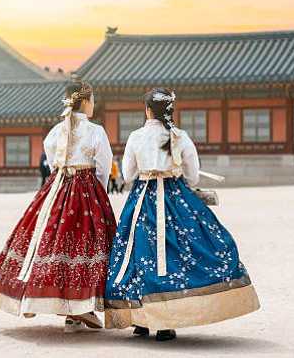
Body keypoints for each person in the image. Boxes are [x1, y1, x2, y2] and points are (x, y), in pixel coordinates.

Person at [104, 88, 259, 341]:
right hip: (175, 199)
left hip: (143, 198)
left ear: (147, 110)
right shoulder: (180, 137)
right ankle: (166, 322)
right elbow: (193, 176)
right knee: (179, 252)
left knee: (138, 253)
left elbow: (129, 175)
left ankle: (140, 320)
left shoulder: (136, 137)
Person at [0, 81, 116, 332]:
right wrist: (99, 194)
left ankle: (62, 308)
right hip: (86, 189)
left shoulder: (56, 130)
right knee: (84, 245)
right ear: (85, 102)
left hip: (56, 190)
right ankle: (79, 308)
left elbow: (53, 160)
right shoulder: (95, 131)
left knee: (52, 243)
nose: (94, 104)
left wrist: (61, 179)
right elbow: (104, 165)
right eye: (92, 100)